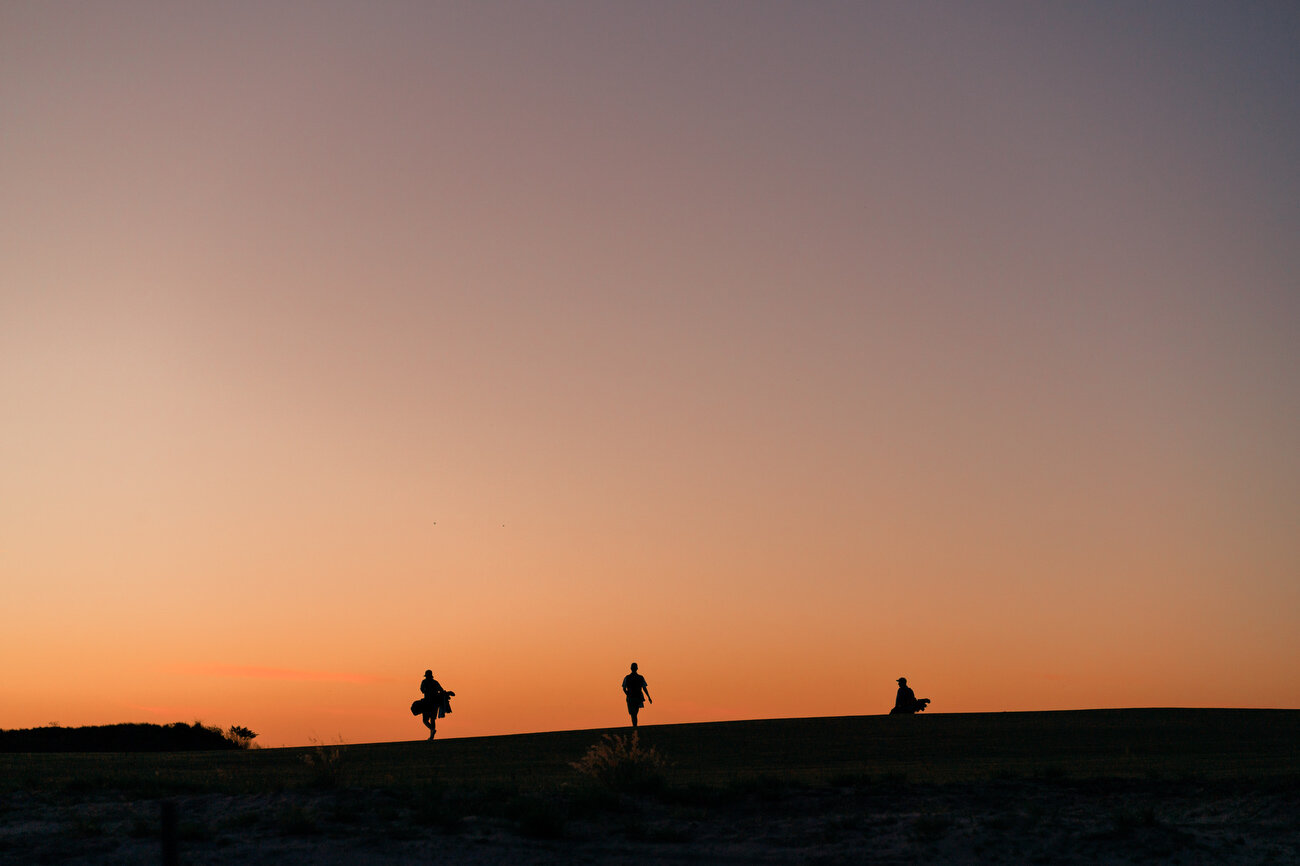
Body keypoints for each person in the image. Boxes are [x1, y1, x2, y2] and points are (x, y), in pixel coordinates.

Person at [418, 670, 450, 739]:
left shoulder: (424, 682)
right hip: (435, 703)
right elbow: (441, 690)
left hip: (427, 702)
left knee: (425, 720)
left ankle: (432, 731)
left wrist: (427, 690)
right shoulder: (435, 682)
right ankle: (432, 735)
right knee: (432, 719)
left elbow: (422, 690)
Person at [621, 662, 651, 728]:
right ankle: (635, 726)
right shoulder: (639, 677)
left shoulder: (628, 677)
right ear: (637, 668)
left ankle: (634, 726)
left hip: (633, 697)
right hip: (636, 697)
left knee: (633, 713)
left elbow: (624, 688)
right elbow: (644, 688)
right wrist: (648, 697)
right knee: (634, 713)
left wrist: (628, 694)